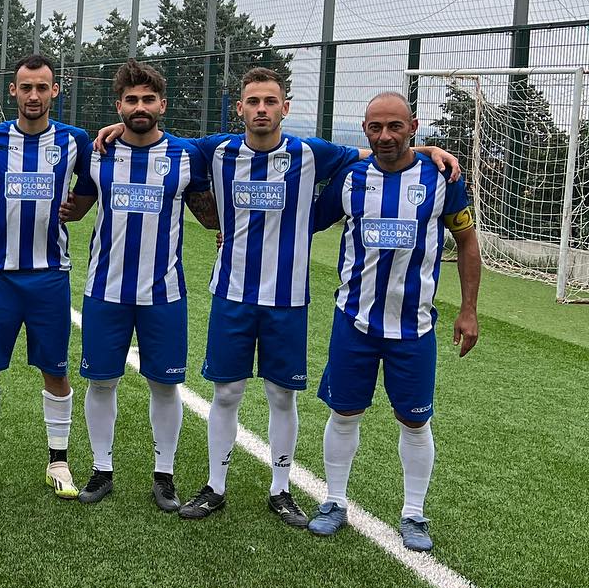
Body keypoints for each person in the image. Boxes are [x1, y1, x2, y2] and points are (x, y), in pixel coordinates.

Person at [95, 66, 457, 529]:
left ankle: (281, 490)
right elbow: (156, 139)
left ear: (285, 108)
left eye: (271, 102)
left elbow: (379, 152)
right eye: (253, 102)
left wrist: (423, 149)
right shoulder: (216, 151)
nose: (262, 109)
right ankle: (215, 487)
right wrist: (115, 128)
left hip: (288, 299)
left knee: (281, 396)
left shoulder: (312, 153)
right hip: (232, 294)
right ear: (239, 109)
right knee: (226, 393)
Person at [308, 91, 480, 552]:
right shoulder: (350, 178)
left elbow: (466, 241)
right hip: (355, 322)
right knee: (344, 413)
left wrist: (468, 310)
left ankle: (414, 513)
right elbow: (306, 221)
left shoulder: (441, 177)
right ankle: (334, 501)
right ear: (365, 130)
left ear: (413, 126)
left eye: (395, 127)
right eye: (375, 127)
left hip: (414, 328)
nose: (385, 136)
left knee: (414, 422)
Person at [70, 59, 217, 511]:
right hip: (105, 291)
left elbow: (210, 216)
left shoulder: (188, 154)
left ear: (163, 105)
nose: (139, 106)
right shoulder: (97, 152)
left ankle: (164, 475)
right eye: (131, 100)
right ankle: (101, 469)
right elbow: (73, 207)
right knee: (101, 383)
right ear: (119, 106)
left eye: (147, 99)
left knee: (164, 386)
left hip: (164, 295)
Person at [0, 54, 94, 497]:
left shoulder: (76, 140)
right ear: (14, 91)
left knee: (55, 371)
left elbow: (94, 184)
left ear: (55, 91)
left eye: (42, 87)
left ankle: (58, 463)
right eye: (26, 87)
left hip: (50, 275)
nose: (34, 95)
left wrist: (78, 206)